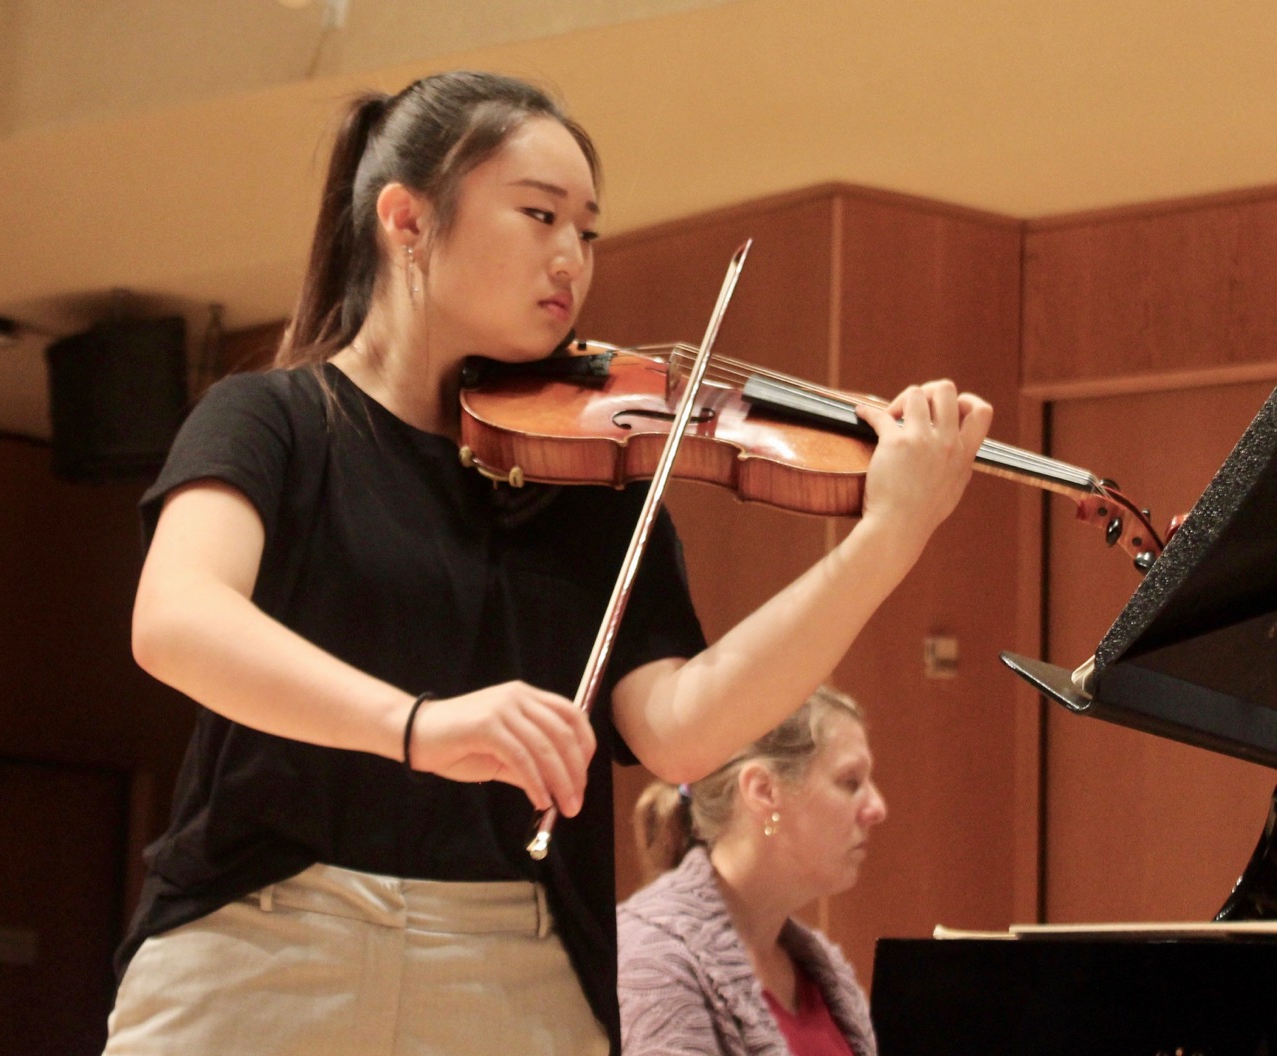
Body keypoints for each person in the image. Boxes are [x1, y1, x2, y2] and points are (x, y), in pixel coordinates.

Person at [101, 70, 991, 1056]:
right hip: (256, 948)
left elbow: (681, 733)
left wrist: (886, 538)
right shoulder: (272, 421)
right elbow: (176, 620)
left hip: (511, 971)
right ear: (406, 220)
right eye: (539, 215)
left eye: (588, 231)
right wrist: (417, 727)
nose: (571, 258)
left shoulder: (590, 484)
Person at [618, 686, 885, 1056]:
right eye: (849, 782)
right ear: (763, 791)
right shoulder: (656, 959)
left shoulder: (819, 966)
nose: (877, 808)